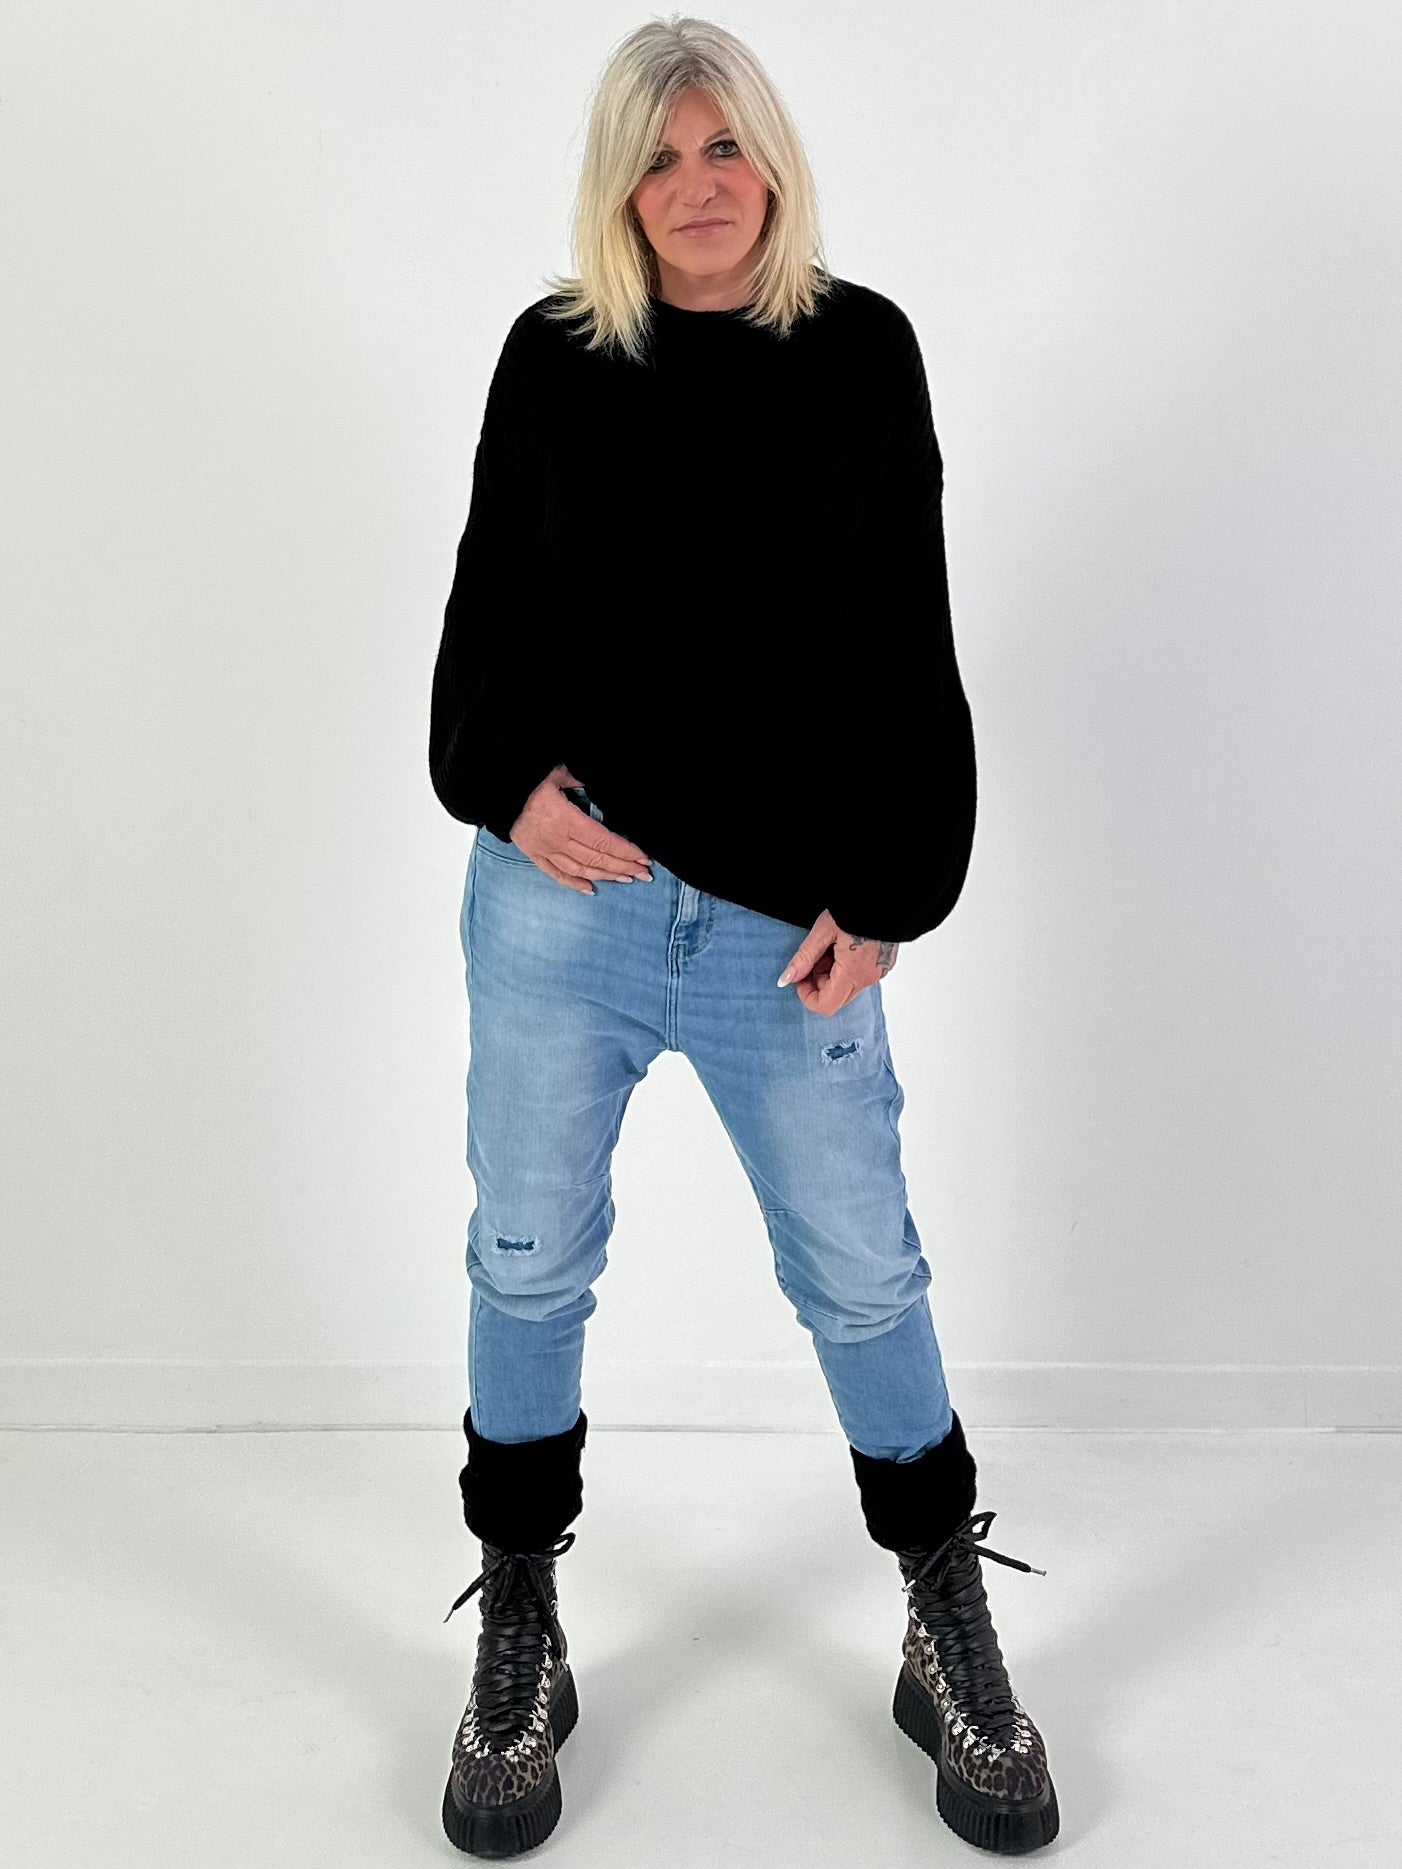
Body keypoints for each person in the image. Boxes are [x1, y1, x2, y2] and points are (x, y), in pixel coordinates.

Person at [428, 16, 1058, 1859]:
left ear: (768, 161)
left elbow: (909, 642)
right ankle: (520, 1621)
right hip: (565, 910)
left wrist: (898, 891)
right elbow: (482, 611)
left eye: (721, 148)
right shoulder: (553, 359)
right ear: (616, 188)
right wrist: (499, 785)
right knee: (526, 1260)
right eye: (657, 157)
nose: (695, 186)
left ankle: (941, 1613)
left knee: (860, 1271)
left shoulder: (859, 353)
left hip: (791, 931)